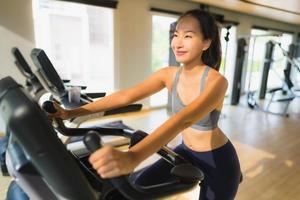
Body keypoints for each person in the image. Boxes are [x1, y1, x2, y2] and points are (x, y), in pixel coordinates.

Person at [50, 9, 241, 200]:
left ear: (206, 43)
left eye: (188, 36)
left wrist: (132, 157)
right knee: (137, 186)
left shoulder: (216, 81)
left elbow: (184, 120)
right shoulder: (168, 74)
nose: (178, 43)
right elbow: (125, 96)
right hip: (186, 151)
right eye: (176, 35)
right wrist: (71, 113)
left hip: (219, 161)